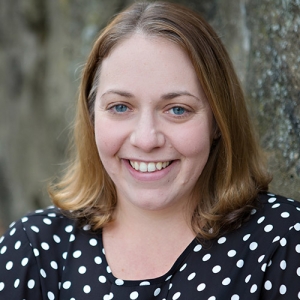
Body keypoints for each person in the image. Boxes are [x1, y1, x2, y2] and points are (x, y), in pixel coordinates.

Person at [0, 1, 300, 299]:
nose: (146, 139)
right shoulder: (35, 249)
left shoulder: (283, 243)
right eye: (120, 107)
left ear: (218, 121)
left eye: (177, 110)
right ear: (92, 117)